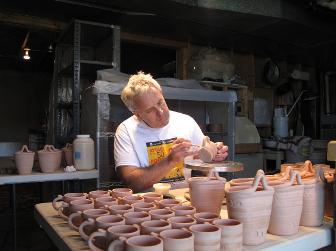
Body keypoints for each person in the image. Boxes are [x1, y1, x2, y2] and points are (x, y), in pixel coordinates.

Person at [114, 71, 228, 192]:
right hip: (148, 204)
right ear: (137, 114)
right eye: (149, 110)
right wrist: (171, 159)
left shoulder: (186, 121)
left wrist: (213, 156)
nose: (160, 112)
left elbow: (204, 168)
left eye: (160, 102)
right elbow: (132, 183)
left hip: (184, 199)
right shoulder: (126, 131)